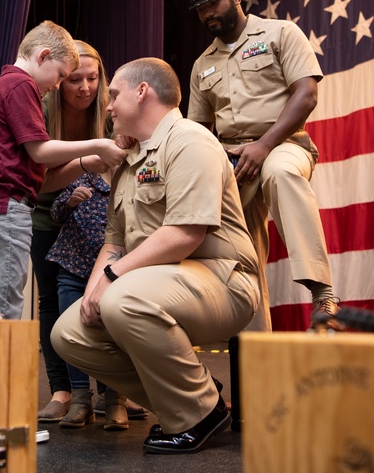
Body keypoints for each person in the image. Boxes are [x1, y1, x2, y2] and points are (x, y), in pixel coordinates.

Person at [52, 58, 260, 454]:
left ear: (142, 91)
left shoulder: (190, 140)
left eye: (114, 94)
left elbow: (185, 233)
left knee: (122, 298)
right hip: (163, 283)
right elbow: (114, 242)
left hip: (224, 282)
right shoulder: (129, 162)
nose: (108, 105)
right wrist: (94, 291)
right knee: (70, 333)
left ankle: (199, 414)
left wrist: (110, 281)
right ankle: (195, 392)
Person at [181, 0, 342, 330]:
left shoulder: (281, 32)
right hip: (231, 161)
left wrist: (264, 145)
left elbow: (307, 94)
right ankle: (255, 352)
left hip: (284, 142)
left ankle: (322, 292)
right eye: (200, 8)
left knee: (281, 172)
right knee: (240, 255)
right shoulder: (202, 64)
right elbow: (198, 130)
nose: (207, 14)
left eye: (213, 2)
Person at [0, 21, 126, 322]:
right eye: (62, 75)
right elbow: (40, 151)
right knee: (3, 313)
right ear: (43, 56)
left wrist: (87, 159)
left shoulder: (8, 84)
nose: (58, 85)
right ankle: (1, 371)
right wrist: (99, 145)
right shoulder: (22, 85)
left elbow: (39, 168)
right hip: (3, 209)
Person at [32, 41, 109, 423]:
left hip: (97, 222)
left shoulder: (110, 114)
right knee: (52, 302)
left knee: (108, 302)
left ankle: (114, 394)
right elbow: (40, 183)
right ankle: (62, 391)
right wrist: (85, 162)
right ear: (59, 81)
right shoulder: (41, 112)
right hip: (46, 214)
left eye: (92, 79)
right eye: (74, 79)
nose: (84, 87)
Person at [47, 166, 139, 430]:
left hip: (112, 274)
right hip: (73, 268)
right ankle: (79, 400)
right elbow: (56, 213)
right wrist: (70, 200)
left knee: (112, 335)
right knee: (71, 332)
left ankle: (114, 400)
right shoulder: (86, 177)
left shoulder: (132, 181)